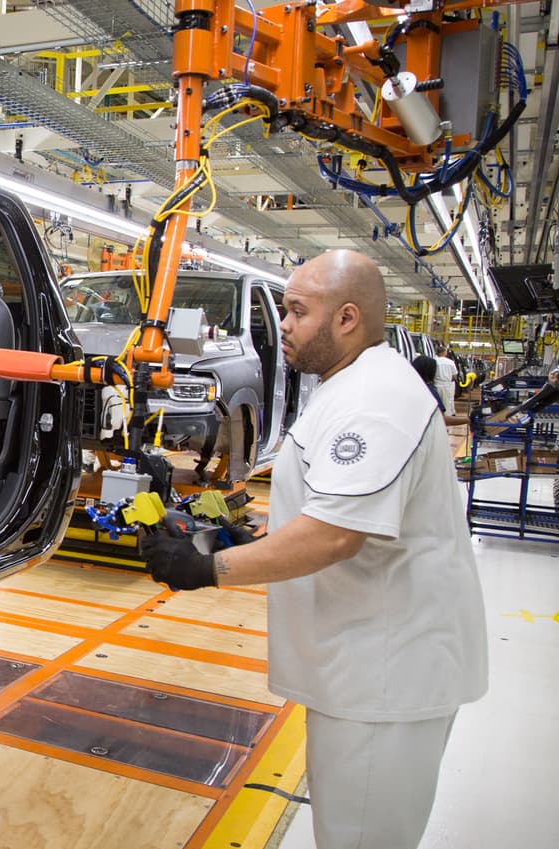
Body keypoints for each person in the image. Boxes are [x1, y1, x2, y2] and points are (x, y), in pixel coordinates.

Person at [142, 250, 487, 849]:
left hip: (384, 678)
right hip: (362, 663)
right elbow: (327, 510)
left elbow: (334, 533)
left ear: (347, 318)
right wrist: (242, 538)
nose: (285, 325)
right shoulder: (348, 385)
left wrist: (206, 567)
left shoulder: (375, 399)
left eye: (298, 311)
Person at [412, 354, 469, 426]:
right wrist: (467, 419)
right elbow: (441, 419)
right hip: (423, 432)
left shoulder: (408, 386)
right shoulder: (429, 392)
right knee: (448, 406)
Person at [434, 344, 458, 411]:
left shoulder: (433, 361)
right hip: (447, 385)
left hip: (436, 385)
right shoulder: (450, 362)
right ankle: (447, 418)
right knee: (447, 403)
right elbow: (454, 376)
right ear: (444, 352)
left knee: (436, 403)